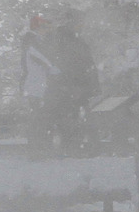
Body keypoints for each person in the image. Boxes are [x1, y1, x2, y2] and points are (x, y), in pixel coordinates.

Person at [48, 11, 98, 154]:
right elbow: (65, 64)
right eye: (80, 22)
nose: (82, 25)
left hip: (79, 87)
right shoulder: (64, 40)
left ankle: (78, 148)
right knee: (71, 118)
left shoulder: (75, 39)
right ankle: (72, 148)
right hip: (71, 88)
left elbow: (85, 63)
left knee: (78, 118)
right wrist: (71, 85)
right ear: (72, 22)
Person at [20, 15, 58, 152]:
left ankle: (39, 149)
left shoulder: (33, 43)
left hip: (37, 86)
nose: (47, 30)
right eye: (44, 27)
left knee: (38, 119)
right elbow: (46, 64)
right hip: (37, 86)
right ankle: (38, 150)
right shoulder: (33, 44)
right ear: (37, 28)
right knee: (38, 119)